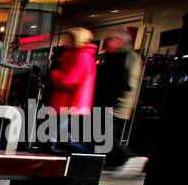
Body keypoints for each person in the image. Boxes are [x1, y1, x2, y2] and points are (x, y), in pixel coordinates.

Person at [95, 30, 144, 173]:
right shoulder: (115, 56)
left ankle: (129, 157)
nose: (108, 41)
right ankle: (116, 161)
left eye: (112, 38)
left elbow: (128, 82)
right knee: (103, 133)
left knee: (103, 133)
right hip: (112, 102)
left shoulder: (129, 57)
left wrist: (115, 98)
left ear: (121, 41)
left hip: (118, 104)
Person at [45, 27, 98, 153]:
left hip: (71, 103)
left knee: (53, 136)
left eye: (68, 39)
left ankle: (89, 155)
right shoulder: (75, 55)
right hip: (69, 103)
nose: (65, 41)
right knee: (58, 136)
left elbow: (69, 81)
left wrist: (55, 74)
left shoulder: (81, 56)